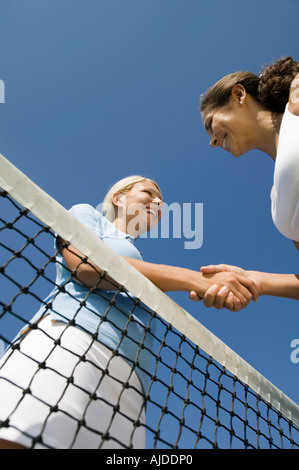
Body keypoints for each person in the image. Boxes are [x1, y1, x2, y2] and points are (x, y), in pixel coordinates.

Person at [0, 175, 259, 450]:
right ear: (119, 198)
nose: (158, 202)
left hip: (132, 384)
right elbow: (86, 266)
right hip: (70, 342)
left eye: (161, 201)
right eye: (148, 192)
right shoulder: (86, 213)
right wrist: (195, 279)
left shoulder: (141, 262)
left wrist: (208, 287)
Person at [196, 56, 299, 309]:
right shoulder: (277, 201)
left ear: (239, 95)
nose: (211, 142)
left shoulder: (295, 110)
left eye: (211, 125)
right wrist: (255, 280)